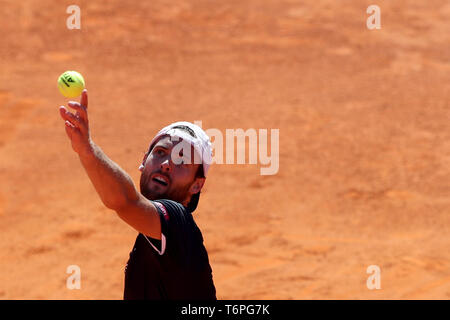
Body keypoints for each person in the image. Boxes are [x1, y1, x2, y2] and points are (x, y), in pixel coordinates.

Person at [59, 89, 217, 300]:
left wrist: (87, 149)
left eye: (182, 160)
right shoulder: (152, 235)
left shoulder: (178, 224)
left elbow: (124, 200)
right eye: (160, 152)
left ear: (196, 185)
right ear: (144, 161)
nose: (167, 164)